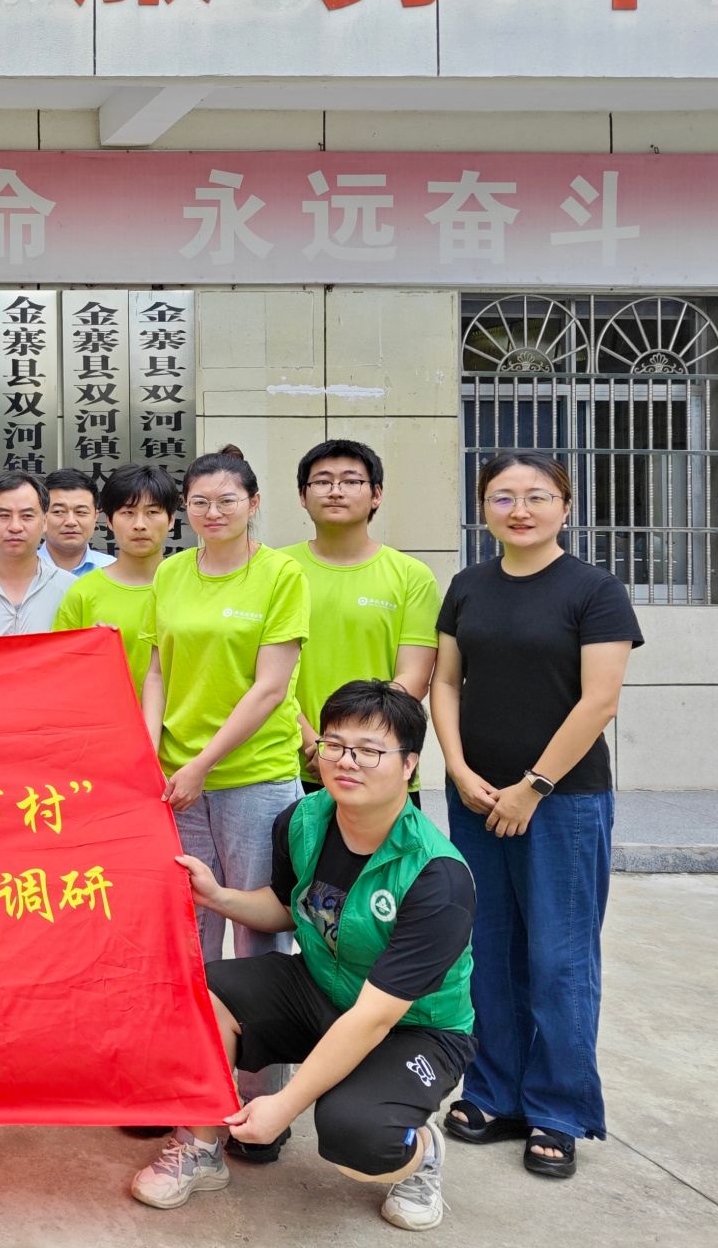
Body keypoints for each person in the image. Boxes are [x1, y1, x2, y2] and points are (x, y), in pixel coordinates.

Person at [132, 681, 476, 1233]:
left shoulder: (438, 877)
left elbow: (375, 1016)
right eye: (334, 745)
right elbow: (285, 906)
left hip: (412, 1028)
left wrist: (284, 1104)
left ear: (409, 765)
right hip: (321, 987)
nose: (347, 762)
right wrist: (217, 896)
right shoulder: (302, 819)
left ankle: (420, 1152)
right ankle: (200, 1145)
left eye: (369, 751)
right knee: (195, 995)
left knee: (354, 1135)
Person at [432, 451, 640, 1181]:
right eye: (502, 496)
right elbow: (446, 682)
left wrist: (534, 785)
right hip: (476, 798)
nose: (519, 509)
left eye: (537, 496)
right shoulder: (467, 586)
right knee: (488, 949)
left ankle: (558, 1108)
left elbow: (599, 700)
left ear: (565, 506)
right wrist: (458, 770)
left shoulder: (595, 590)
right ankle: (494, 1091)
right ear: (483, 507)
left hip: (564, 803)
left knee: (558, 958)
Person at [141, 444, 310, 1161]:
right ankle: (190, 1086)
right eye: (200, 502)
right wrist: (149, 750)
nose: (213, 513)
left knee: (256, 931)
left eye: (227, 500)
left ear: (254, 503)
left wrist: (204, 763)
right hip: (178, 780)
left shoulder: (281, 575)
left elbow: (271, 686)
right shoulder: (172, 572)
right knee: (189, 932)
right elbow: (157, 668)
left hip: (253, 776)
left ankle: (260, 1099)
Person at [283, 440, 438, 800]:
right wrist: (314, 742)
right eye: (322, 481)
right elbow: (262, 675)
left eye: (351, 481)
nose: (335, 491)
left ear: (376, 494)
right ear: (303, 496)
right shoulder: (276, 570)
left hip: (378, 764)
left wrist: (349, 748)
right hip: (289, 764)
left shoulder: (411, 575)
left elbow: (414, 677)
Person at [54, 463, 180, 697]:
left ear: (171, 519)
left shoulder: (189, 587)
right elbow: (59, 673)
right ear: (109, 521)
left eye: (152, 512)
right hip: (105, 717)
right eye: (127, 513)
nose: (139, 524)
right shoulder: (83, 593)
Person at [0, 470, 71, 635]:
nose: (15, 527)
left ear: (45, 522)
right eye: (4, 515)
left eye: (27, 516)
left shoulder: (70, 588)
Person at [38, 468, 117, 577]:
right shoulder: (21, 569)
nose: (70, 522)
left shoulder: (114, 571)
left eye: (81, 512)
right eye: (58, 511)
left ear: (95, 517)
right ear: (42, 516)